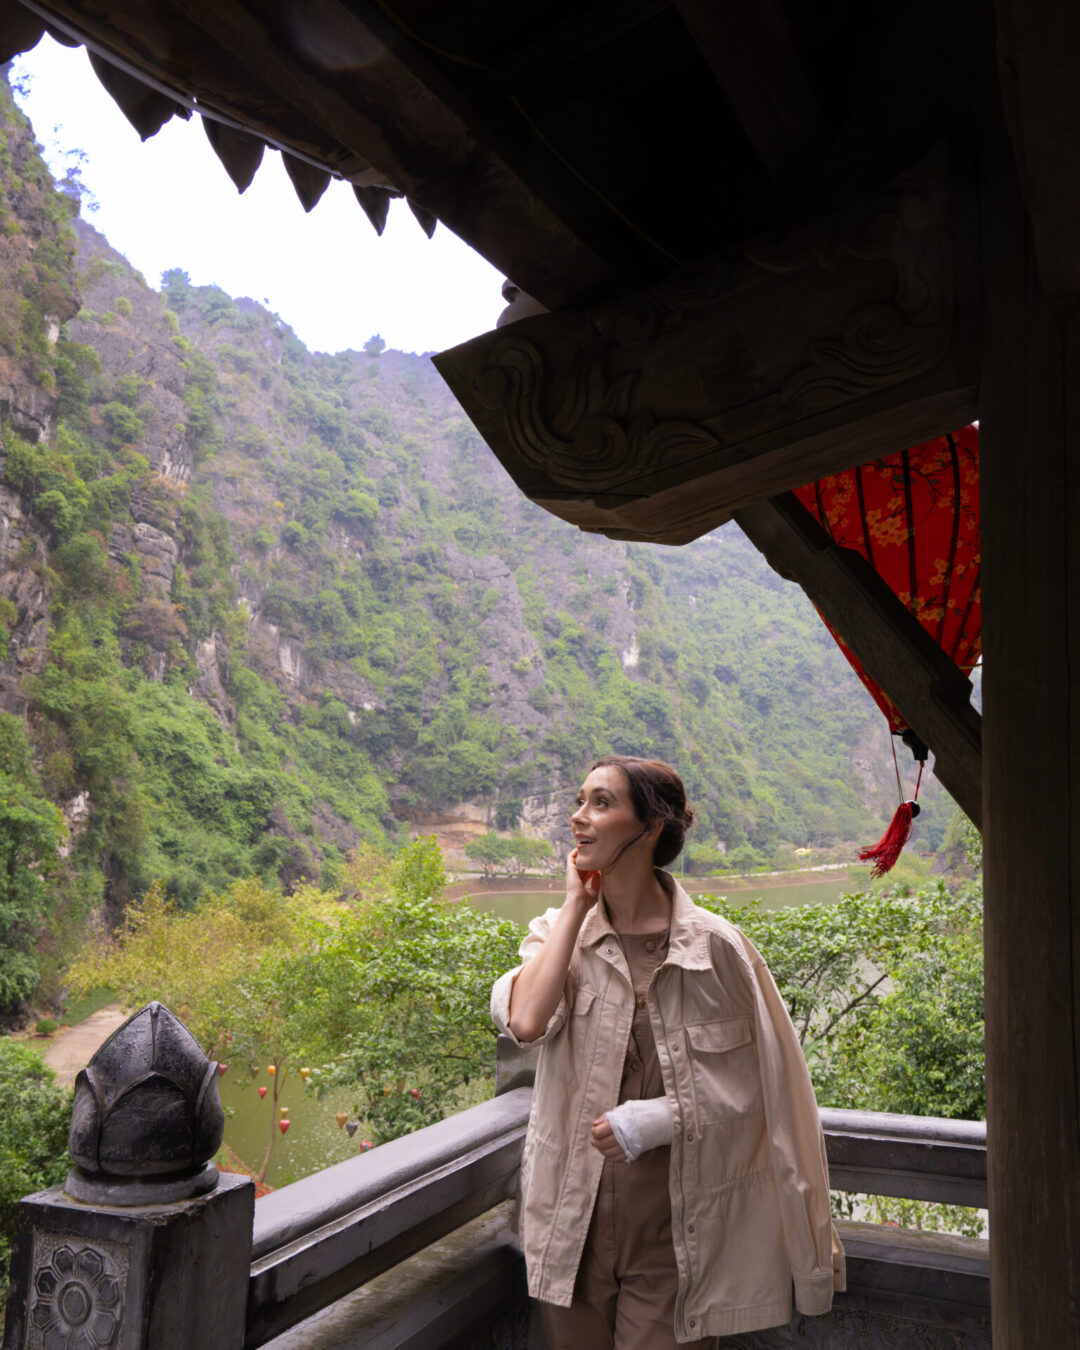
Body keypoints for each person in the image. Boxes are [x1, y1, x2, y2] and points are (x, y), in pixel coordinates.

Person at [491, 755, 844, 1349]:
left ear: (650, 827)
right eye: (580, 801)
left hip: (677, 1237)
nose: (578, 817)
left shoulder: (719, 951)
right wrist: (577, 906)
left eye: (601, 803)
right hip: (569, 1224)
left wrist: (662, 1118)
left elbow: (774, 1092)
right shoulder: (559, 932)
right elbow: (525, 1022)